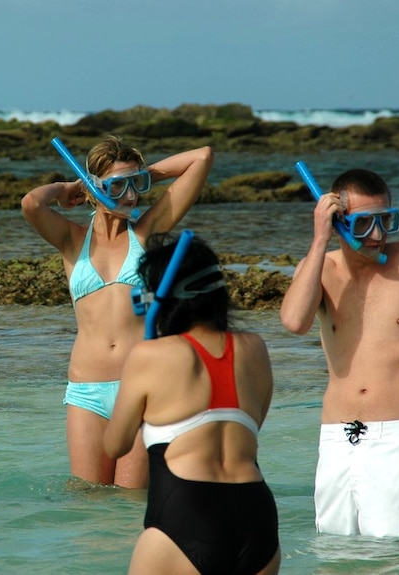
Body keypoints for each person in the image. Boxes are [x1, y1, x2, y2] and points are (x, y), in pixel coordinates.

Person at [279, 168, 399, 537]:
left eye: (387, 220)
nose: (378, 235)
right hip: (337, 438)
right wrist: (320, 240)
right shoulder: (319, 270)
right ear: (339, 224)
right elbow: (293, 322)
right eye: (364, 224)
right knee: (336, 554)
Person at [21, 136, 213, 488]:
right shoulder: (71, 239)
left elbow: (201, 157)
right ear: (95, 189)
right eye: (117, 186)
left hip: (140, 386)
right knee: (88, 503)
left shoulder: (147, 231)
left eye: (135, 186)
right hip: (86, 392)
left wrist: (143, 175)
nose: (129, 196)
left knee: (129, 504)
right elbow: (32, 203)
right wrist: (68, 187)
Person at [103, 232, 281, 575]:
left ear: (161, 298)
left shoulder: (149, 356)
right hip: (257, 516)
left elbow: (115, 444)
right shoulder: (255, 348)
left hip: (185, 513)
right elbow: (253, 423)